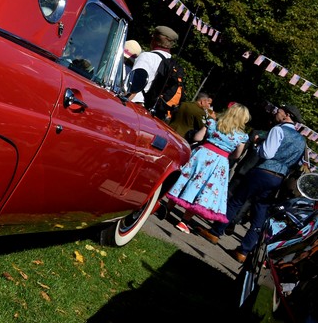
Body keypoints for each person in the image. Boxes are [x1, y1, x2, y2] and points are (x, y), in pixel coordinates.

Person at [196, 104, 308, 263]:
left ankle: (215, 232)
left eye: (280, 110)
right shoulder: (301, 141)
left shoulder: (278, 130)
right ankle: (244, 250)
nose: (277, 112)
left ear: (287, 114)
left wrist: (258, 146)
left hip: (263, 171)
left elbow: (267, 153)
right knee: (260, 212)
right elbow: (297, 164)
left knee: (237, 200)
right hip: (278, 178)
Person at [165, 103, 251, 233]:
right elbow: (237, 155)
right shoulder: (241, 136)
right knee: (202, 188)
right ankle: (184, 221)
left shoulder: (212, 123)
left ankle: (167, 209)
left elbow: (197, 137)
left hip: (202, 154)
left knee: (186, 180)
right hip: (219, 162)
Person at [130, 25, 178, 106]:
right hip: (151, 108)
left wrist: (124, 101)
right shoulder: (171, 63)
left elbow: (134, 83)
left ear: (154, 40)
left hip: (134, 103)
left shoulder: (147, 56)